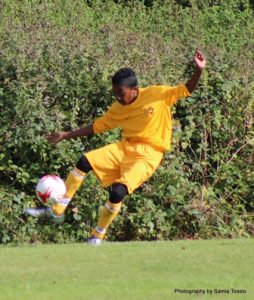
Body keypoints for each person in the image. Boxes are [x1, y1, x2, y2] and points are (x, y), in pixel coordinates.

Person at [25, 50, 206, 245]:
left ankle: (97, 236)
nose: (118, 97)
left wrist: (198, 70)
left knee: (118, 192)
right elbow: (97, 127)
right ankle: (58, 209)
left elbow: (187, 89)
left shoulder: (157, 94)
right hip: (126, 147)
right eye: (115, 93)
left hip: (149, 154)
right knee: (85, 161)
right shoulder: (118, 108)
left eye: (121, 93)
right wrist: (66, 135)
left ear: (134, 89)